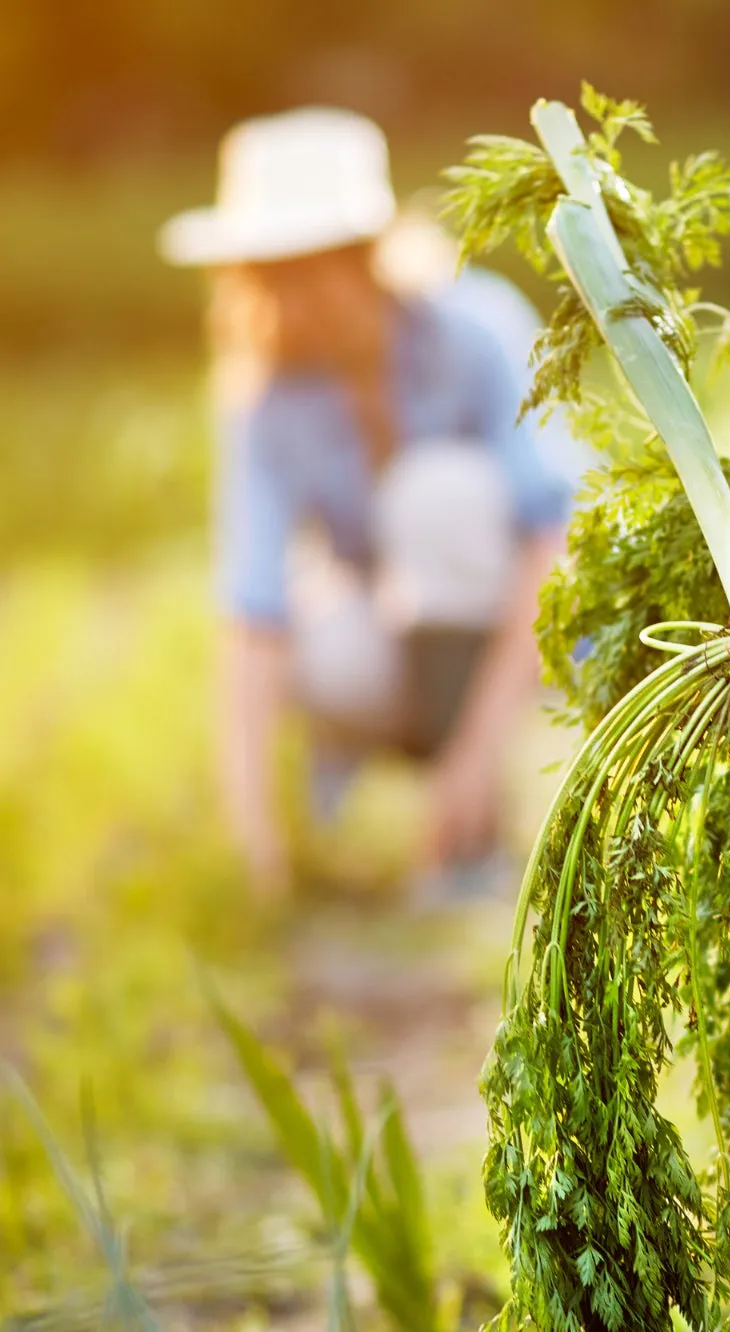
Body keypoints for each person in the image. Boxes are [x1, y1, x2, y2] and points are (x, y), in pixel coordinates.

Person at [160, 108, 575, 896]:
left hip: (531, 650)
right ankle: (421, 805)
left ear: (369, 258)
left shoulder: (476, 331)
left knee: (437, 495)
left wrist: (476, 754)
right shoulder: (267, 397)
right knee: (328, 643)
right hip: (399, 651)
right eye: (266, 275)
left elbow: (552, 545)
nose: (290, 299)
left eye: (308, 268)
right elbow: (252, 613)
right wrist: (252, 837)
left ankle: (480, 810)